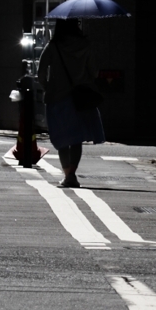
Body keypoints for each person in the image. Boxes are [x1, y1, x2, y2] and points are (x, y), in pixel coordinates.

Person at [36, 18, 105, 187]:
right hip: (80, 98)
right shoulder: (85, 45)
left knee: (62, 138)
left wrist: (48, 87)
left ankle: (67, 174)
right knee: (76, 138)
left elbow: (41, 72)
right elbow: (95, 72)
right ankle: (72, 174)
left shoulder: (54, 46)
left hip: (57, 98)